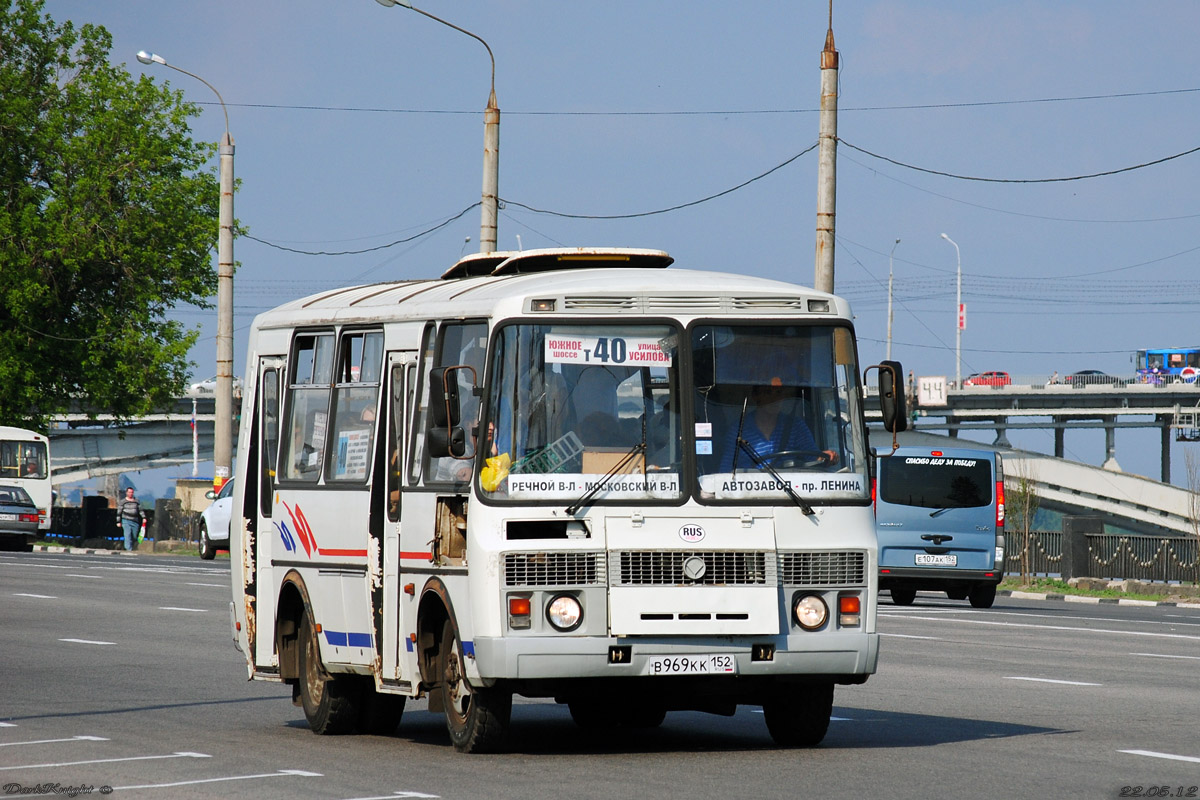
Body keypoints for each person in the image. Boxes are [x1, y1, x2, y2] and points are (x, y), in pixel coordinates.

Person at [719, 377, 836, 471]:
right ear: (755, 396)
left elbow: (814, 458)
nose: (775, 398)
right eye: (768, 392)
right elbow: (726, 472)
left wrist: (825, 457)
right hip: (750, 496)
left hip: (790, 494)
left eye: (779, 393)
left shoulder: (796, 427)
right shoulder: (738, 431)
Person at [116, 487, 145, 551]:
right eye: (129, 492)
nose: (130, 493)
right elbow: (119, 512)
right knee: (127, 534)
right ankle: (129, 549)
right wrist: (118, 521)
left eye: (132, 492)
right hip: (126, 520)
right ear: (126, 493)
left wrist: (144, 517)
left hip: (135, 521)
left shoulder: (136, 501)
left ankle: (132, 546)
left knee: (134, 536)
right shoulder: (123, 502)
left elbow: (140, 510)